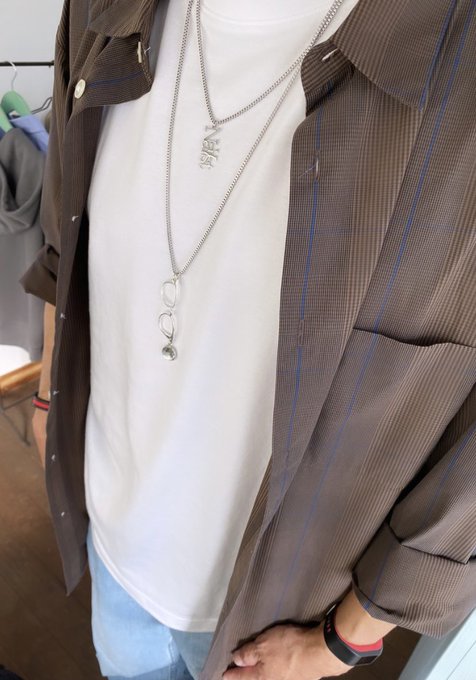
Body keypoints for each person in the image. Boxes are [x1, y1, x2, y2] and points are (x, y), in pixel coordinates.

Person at [24, 0, 476, 679]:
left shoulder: (457, 65)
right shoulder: (100, 10)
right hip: (111, 546)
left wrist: (343, 640)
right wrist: (46, 395)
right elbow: (66, 235)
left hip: (280, 616)